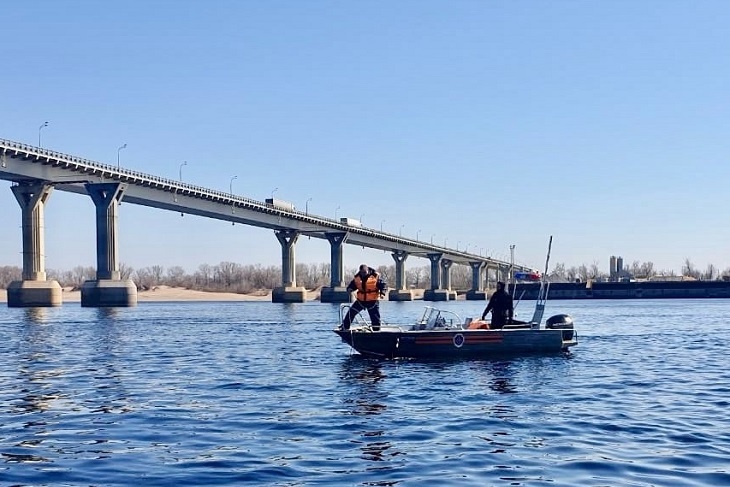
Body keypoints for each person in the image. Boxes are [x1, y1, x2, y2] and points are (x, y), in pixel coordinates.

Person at [341, 264, 387, 331]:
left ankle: (376, 331)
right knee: (351, 313)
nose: (363, 274)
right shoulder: (357, 278)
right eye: (362, 273)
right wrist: (349, 289)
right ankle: (345, 327)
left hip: (373, 301)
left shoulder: (375, 276)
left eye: (365, 272)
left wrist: (382, 293)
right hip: (361, 301)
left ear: (368, 270)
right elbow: (352, 286)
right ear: (360, 271)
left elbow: (383, 286)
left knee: (375, 317)